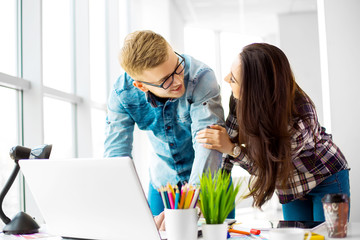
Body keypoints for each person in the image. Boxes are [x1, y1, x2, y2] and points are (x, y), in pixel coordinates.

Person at [195, 43, 350, 221]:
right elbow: (225, 143)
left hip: (324, 176)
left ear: (256, 90)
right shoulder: (240, 98)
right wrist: (209, 193)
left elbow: (270, 168)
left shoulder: (300, 120)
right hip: (290, 184)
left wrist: (232, 149)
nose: (226, 78)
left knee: (324, 236)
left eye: (234, 79)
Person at [104, 30, 225, 227]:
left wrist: (191, 203)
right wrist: (126, 209)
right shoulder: (122, 93)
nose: (178, 80)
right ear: (141, 86)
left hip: (209, 177)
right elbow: (116, 156)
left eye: (177, 66)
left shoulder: (200, 76)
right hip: (163, 181)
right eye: (166, 80)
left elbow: (207, 143)